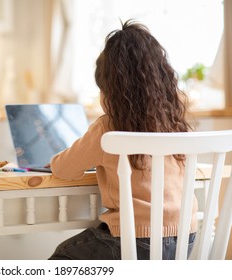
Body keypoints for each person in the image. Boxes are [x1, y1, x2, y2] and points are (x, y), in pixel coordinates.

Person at [48, 20, 197, 260]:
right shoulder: (175, 125)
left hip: (135, 242)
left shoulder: (109, 127)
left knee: (62, 257)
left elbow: (63, 168)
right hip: (185, 239)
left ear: (110, 88)